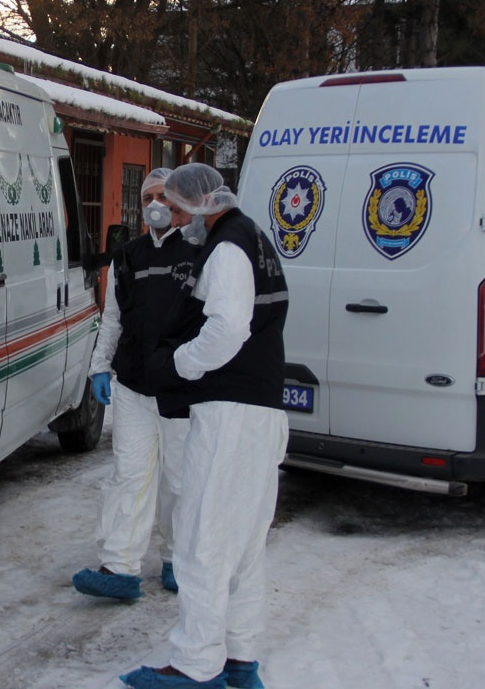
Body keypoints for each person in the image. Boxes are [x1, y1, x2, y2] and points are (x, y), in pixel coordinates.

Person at [120, 163, 289, 689]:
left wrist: (179, 364)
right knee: (241, 543)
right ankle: (239, 659)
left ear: (198, 204)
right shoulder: (256, 240)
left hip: (229, 413)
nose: (171, 216)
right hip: (259, 411)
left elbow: (228, 328)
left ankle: (195, 666)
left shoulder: (230, 248)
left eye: (174, 206)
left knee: (203, 537)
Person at [71, 167, 197, 600]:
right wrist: (100, 366)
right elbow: (113, 316)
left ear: (181, 203)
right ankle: (120, 566)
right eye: (148, 198)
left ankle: (179, 560)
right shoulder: (128, 255)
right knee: (130, 474)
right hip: (134, 386)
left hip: (181, 388)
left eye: (165, 197)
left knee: (179, 480)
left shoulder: (199, 252)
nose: (156, 205)